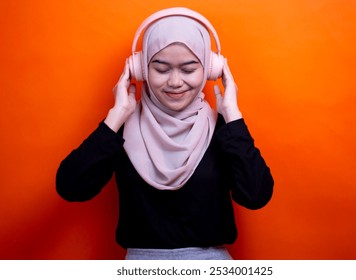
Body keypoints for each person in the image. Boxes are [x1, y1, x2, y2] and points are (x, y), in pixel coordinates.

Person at [56, 7, 274, 260]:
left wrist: (233, 114)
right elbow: (71, 187)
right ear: (140, 69)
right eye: (161, 69)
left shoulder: (224, 130)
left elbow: (256, 195)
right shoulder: (121, 129)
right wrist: (116, 116)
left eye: (189, 69)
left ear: (211, 69)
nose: (175, 82)